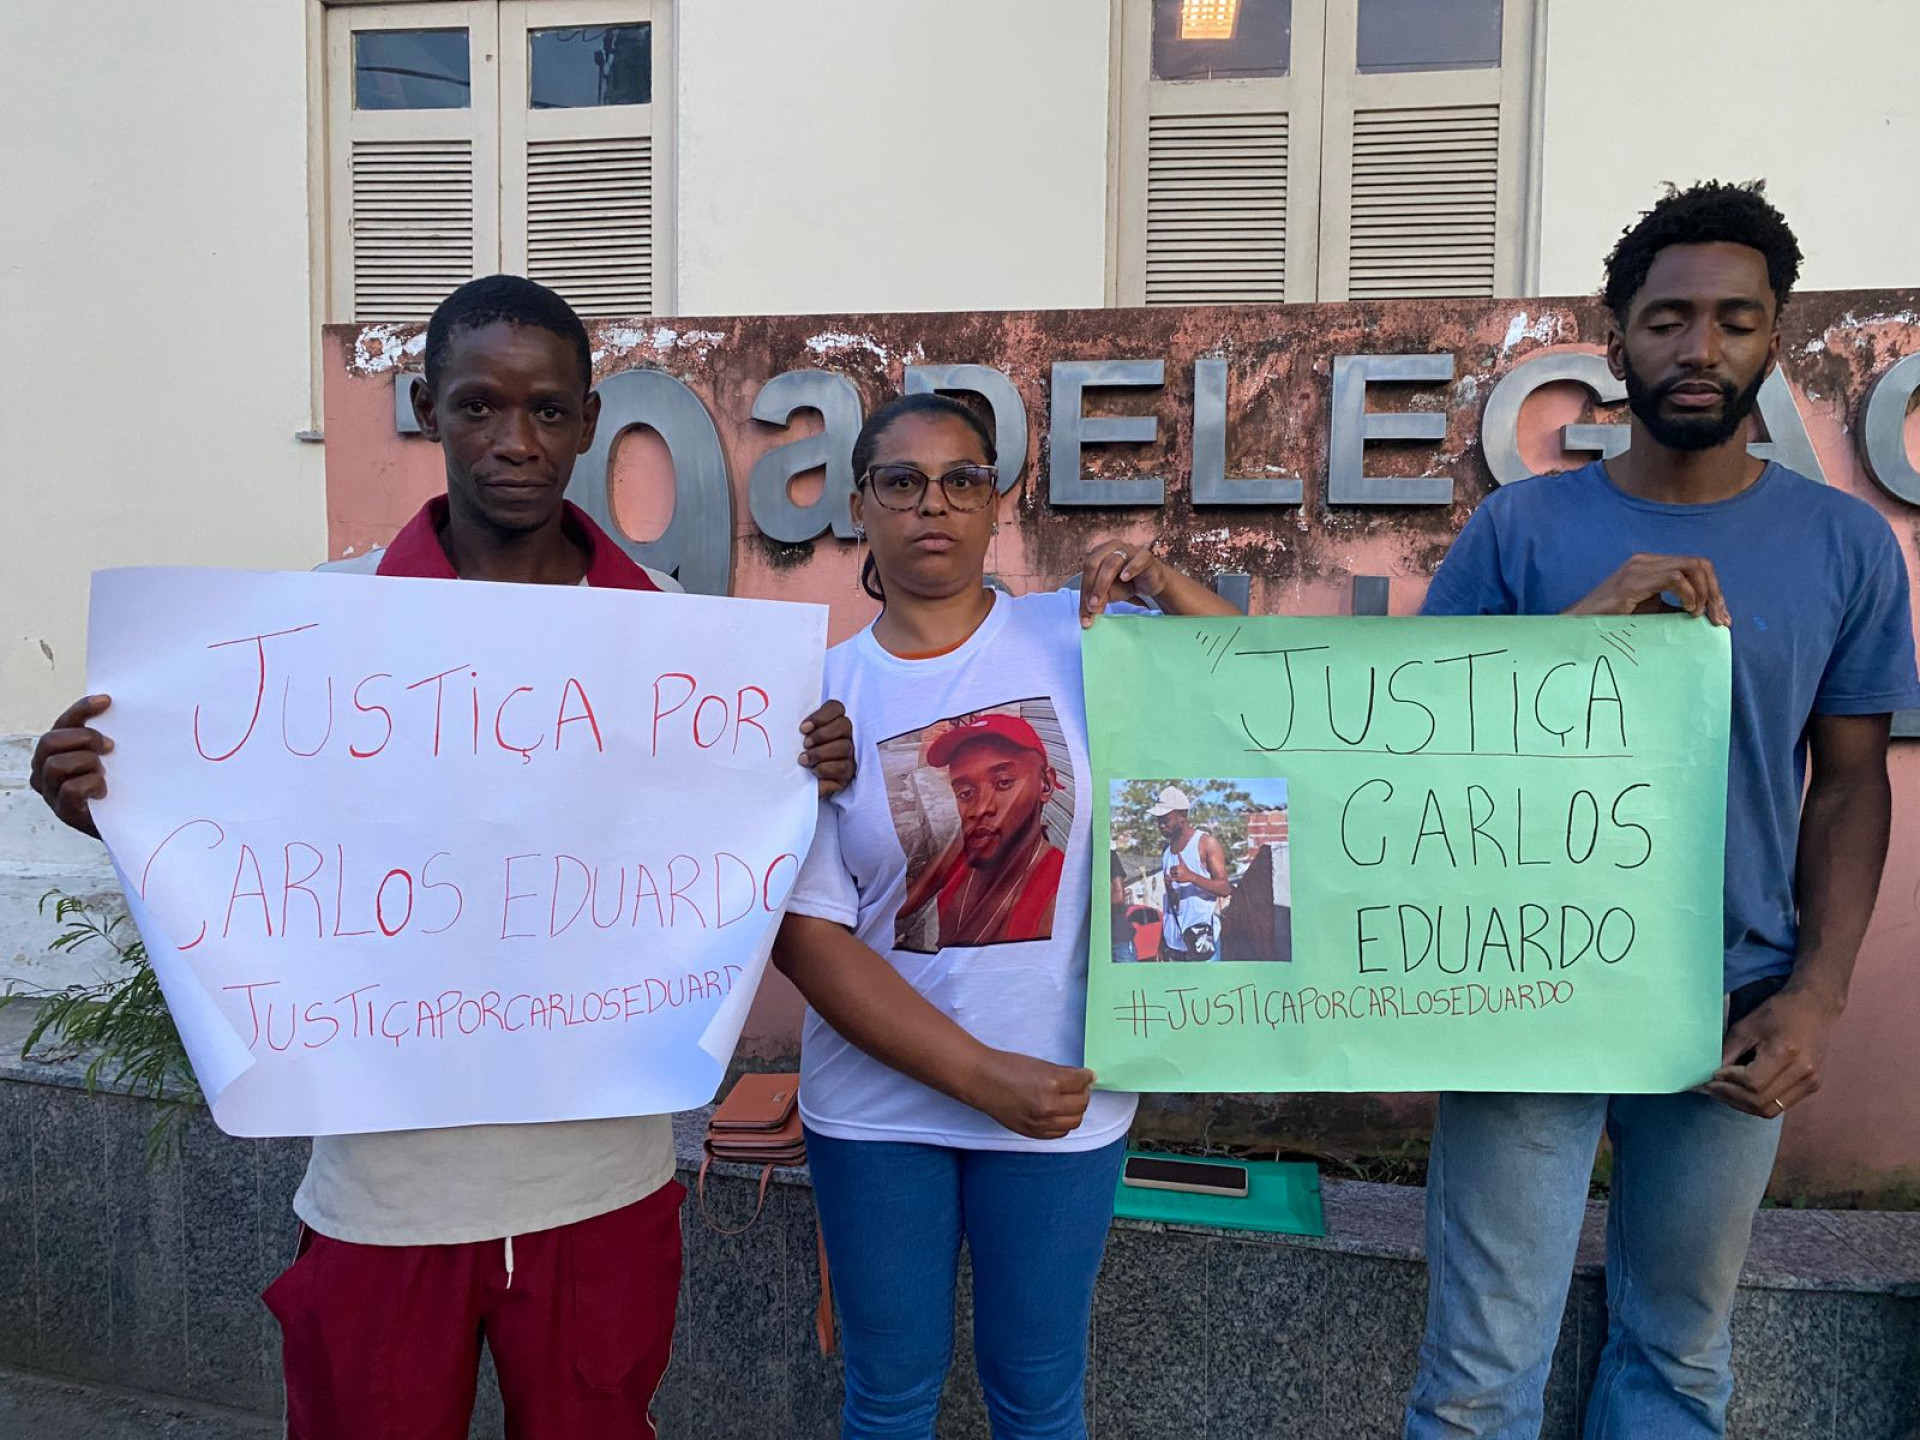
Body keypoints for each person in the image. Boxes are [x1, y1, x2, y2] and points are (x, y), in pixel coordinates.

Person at [29, 275, 855, 1440]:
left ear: (588, 418)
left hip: (602, 1188)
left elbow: (717, 845)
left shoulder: (677, 635)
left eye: (548, 411)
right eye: (478, 406)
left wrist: (797, 762)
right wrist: (106, 800)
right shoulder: (320, 627)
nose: (514, 441)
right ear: (428, 406)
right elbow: (232, 839)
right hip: (386, 1195)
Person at [1404, 183, 1919, 1438]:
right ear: (1617, 333)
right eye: (1669, 318)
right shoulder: (1521, 528)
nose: (1700, 349)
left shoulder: (1845, 548)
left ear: (1773, 334)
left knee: (1680, 1362)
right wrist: (1579, 632)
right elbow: (1412, 736)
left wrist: (1818, 991)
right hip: (1522, 988)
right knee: (1479, 1379)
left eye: (1734, 320)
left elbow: (1849, 782)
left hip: (1731, 997)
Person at [772, 392, 1238, 1439]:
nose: (932, 503)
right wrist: (981, 1076)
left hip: (1065, 1097)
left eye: (962, 478)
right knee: (887, 1397)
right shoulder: (821, 699)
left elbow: (1262, 694)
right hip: (879, 1111)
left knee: (1038, 1398)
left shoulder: (1082, 637)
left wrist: (1166, 581)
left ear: (997, 504)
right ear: (859, 507)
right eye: (902, 481)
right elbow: (808, 937)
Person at [897, 712, 1066, 949]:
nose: (980, 809)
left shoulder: (1057, 899)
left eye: (1004, 782)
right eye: (966, 793)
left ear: (1045, 784)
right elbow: (902, 905)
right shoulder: (965, 850)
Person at [1150, 788, 1230, 960]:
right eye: (1158, 820)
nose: (1160, 825)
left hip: (1202, 942)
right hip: (1174, 944)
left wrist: (1192, 877)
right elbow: (1171, 900)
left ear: (1182, 817)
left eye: (1165, 819)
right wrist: (1163, 939)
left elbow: (1225, 888)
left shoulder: (1206, 843)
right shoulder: (1166, 851)